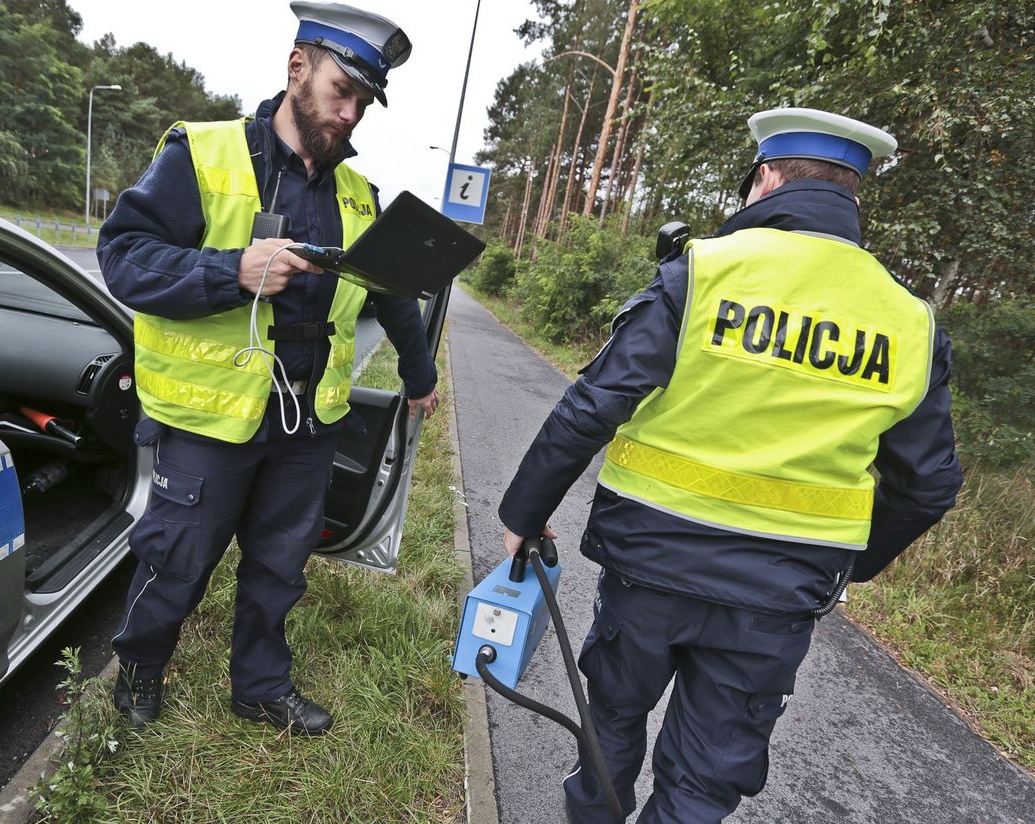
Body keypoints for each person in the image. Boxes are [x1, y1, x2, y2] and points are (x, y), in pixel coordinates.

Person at [498, 108, 963, 822]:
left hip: (649, 565)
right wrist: (847, 564)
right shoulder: (908, 320)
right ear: (850, 193)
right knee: (704, 778)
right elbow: (928, 484)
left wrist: (522, 517)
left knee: (612, 723)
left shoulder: (706, 270)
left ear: (769, 178)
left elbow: (594, 404)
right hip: (778, 598)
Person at [99, 1, 438, 736]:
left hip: (304, 422)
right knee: (178, 559)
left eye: (363, 101)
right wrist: (231, 272)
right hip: (209, 417)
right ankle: (139, 671)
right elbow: (124, 259)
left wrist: (420, 376)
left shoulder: (358, 195)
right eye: (340, 91)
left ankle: (259, 687)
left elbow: (396, 291)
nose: (350, 113)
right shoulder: (204, 154)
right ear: (297, 69)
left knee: (281, 568)